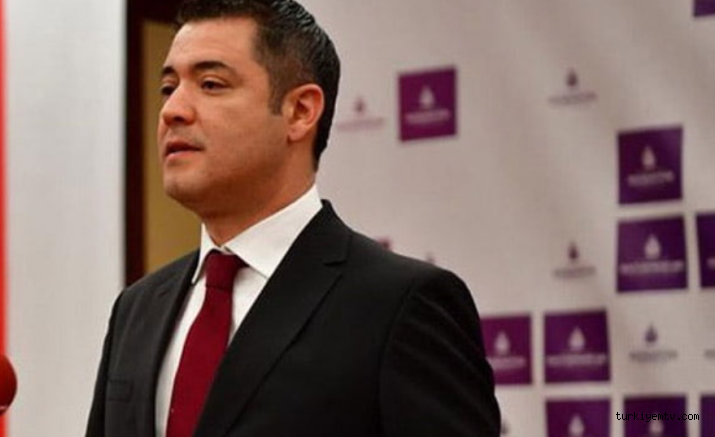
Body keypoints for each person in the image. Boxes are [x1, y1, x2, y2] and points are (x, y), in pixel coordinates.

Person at [86, 1, 500, 436]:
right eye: (168, 88)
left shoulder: (400, 305)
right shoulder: (137, 308)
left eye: (210, 84)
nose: (173, 110)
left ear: (301, 111)